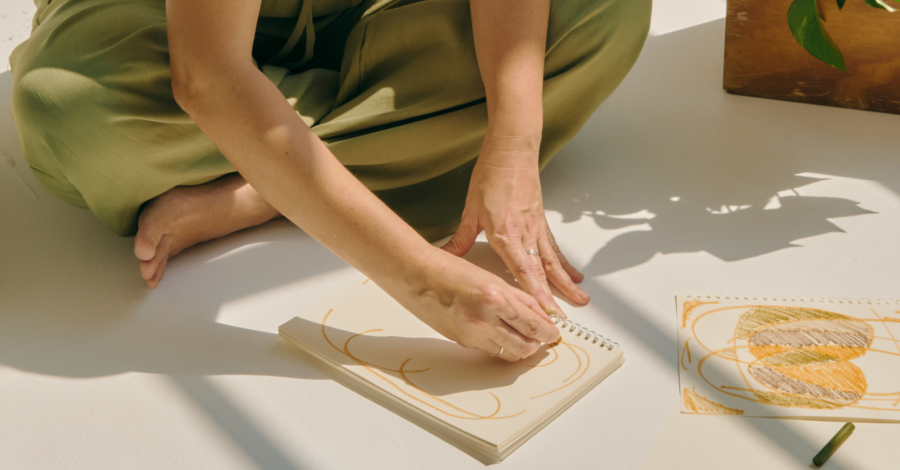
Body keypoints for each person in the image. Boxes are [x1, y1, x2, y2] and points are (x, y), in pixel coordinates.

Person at [9, 0, 650, 361]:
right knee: (67, 108)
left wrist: (513, 139)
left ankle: (266, 186)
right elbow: (204, 73)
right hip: (161, 23)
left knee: (606, 8)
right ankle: (302, 161)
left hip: (372, 11)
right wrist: (426, 283)